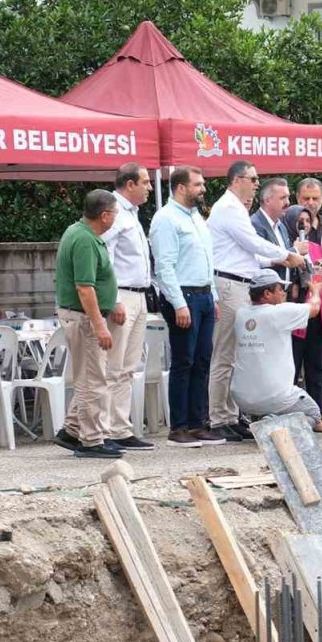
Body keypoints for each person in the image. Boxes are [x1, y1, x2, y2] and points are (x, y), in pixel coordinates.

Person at [209, 161, 305, 441]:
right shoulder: (228, 208)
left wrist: (282, 254)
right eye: (252, 178)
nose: (255, 183)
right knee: (225, 353)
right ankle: (218, 417)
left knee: (237, 354)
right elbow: (253, 243)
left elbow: (253, 254)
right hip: (230, 283)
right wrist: (286, 255)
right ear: (237, 179)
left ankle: (229, 414)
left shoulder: (236, 209)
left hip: (240, 281)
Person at [149, 165, 223, 448]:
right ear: (181, 187)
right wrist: (178, 303)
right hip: (184, 296)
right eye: (198, 184)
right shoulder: (166, 219)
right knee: (184, 361)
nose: (203, 189)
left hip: (203, 294)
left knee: (203, 360)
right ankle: (179, 427)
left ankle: (198, 423)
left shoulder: (196, 218)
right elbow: (164, 266)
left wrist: (213, 296)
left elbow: (207, 261)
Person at [53, 190, 123, 459]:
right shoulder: (83, 239)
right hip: (83, 318)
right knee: (92, 379)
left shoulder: (83, 233)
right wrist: (99, 325)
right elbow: (85, 288)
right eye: (115, 213)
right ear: (105, 216)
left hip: (83, 315)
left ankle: (72, 430)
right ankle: (92, 440)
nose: (115, 218)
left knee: (89, 375)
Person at [98, 162, 156, 452]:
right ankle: (105, 429)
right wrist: (113, 299)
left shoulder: (132, 213)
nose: (149, 187)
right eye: (145, 182)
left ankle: (121, 428)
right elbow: (104, 256)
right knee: (113, 365)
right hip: (122, 294)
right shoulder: (114, 210)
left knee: (127, 366)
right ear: (129, 184)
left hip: (139, 294)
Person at [231, 269, 322, 430]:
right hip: (275, 397)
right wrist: (315, 291)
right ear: (267, 294)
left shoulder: (241, 313)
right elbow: (314, 309)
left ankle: (266, 417)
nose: (284, 293)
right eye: (280, 289)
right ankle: (272, 423)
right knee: (314, 414)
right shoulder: (279, 312)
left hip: (241, 398)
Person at [282, 205, 322, 426]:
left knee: (316, 366)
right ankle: (291, 413)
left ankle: (317, 413)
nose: (303, 224)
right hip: (295, 313)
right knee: (293, 365)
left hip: (317, 312)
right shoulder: (285, 248)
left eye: (307, 220)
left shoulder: (316, 247)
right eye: (299, 220)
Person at [252, 178, 304, 283]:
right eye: (282, 198)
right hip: (265, 294)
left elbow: (286, 264)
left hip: (282, 293)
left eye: (288, 197)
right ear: (267, 200)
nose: (288, 202)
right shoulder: (254, 224)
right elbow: (261, 259)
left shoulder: (281, 226)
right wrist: (295, 251)